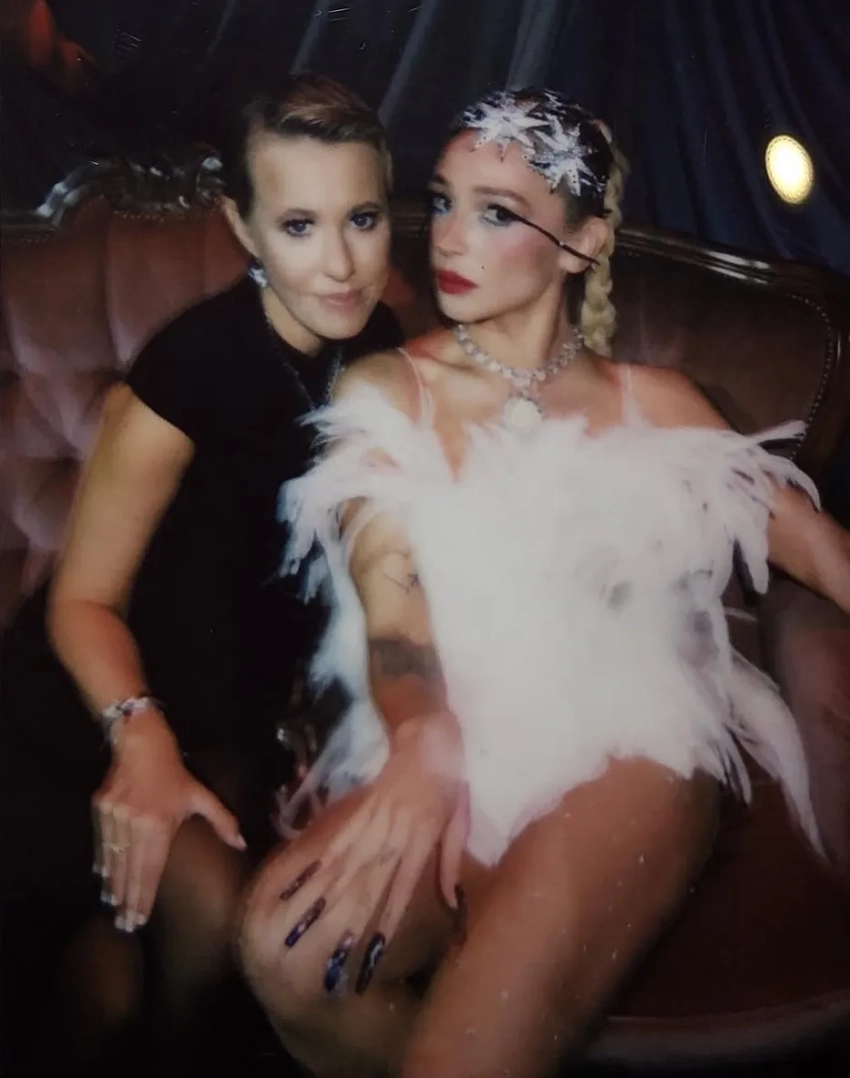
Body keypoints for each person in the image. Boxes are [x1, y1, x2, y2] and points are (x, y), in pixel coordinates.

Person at [235, 88, 850, 1078]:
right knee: (282, 949)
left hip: (631, 741)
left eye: (495, 212)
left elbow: (820, 552)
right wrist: (423, 736)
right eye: (443, 201)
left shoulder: (658, 402)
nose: (448, 236)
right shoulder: (389, 390)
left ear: (582, 242)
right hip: (453, 732)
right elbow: (395, 622)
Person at [0, 74, 401, 1074]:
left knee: (176, 967)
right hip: (82, 711)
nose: (341, 263)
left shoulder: (386, 347)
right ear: (242, 226)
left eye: (361, 218)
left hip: (230, 727)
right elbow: (82, 599)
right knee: (108, 988)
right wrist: (138, 738)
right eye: (300, 225)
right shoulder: (186, 371)